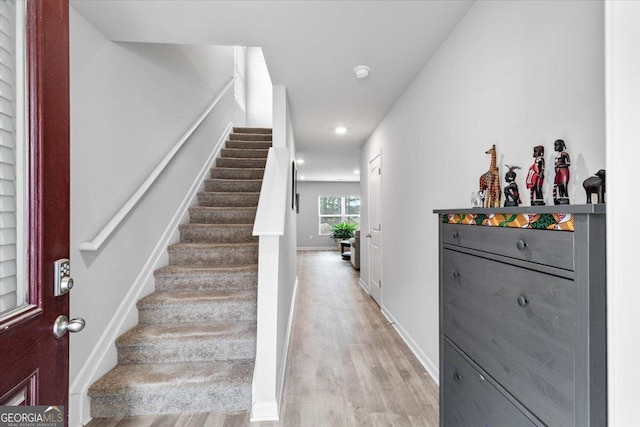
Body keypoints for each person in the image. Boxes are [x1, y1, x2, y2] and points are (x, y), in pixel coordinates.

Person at [553, 139, 570, 204]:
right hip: (558, 172)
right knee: (559, 185)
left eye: (556, 145)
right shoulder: (556, 156)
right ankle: (560, 197)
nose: (555, 147)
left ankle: (565, 198)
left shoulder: (565, 154)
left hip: (564, 171)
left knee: (564, 185)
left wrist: (560, 166)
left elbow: (568, 163)